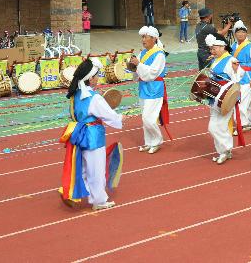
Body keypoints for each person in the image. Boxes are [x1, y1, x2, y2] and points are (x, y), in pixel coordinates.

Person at [58, 58, 122, 210]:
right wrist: (120, 118)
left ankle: (73, 193)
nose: (98, 78)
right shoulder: (94, 98)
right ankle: (98, 201)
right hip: (93, 135)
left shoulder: (75, 95)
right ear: (90, 78)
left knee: (84, 168)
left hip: (79, 135)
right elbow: (108, 115)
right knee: (97, 169)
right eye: (97, 75)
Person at [128, 26, 169, 154]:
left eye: (145, 37)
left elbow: (152, 73)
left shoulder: (160, 54)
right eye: (142, 37)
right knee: (145, 117)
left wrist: (138, 64)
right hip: (143, 88)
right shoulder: (143, 52)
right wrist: (133, 67)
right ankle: (149, 142)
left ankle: (157, 141)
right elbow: (138, 71)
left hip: (154, 89)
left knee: (148, 118)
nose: (143, 40)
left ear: (153, 39)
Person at [205, 34, 242, 164]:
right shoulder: (216, 59)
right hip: (214, 97)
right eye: (211, 49)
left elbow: (237, 80)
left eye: (214, 48)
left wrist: (236, 71)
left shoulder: (231, 60)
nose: (212, 51)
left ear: (223, 46)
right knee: (218, 126)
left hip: (226, 99)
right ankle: (223, 152)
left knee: (215, 127)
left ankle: (226, 149)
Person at [231, 21, 251, 132]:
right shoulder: (233, 46)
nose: (240, 34)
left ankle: (243, 124)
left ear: (246, 33)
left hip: (248, 78)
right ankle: (250, 122)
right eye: (238, 32)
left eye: (243, 32)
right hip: (236, 77)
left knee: (241, 102)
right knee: (247, 102)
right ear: (235, 34)